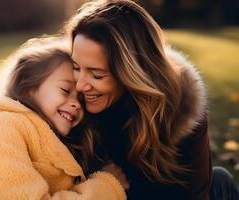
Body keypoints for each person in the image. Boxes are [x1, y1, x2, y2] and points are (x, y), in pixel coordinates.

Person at [66, 0, 212, 199]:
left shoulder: (181, 111)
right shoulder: (67, 108)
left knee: (219, 181)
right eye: (76, 67)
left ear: (133, 74)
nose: (80, 85)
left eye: (97, 75)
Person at [0, 37, 127, 200]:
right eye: (65, 90)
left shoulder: (57, 137)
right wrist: (105, 188)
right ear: (28, 86)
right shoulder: (3, 128)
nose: (76, 104)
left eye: (80, 98)